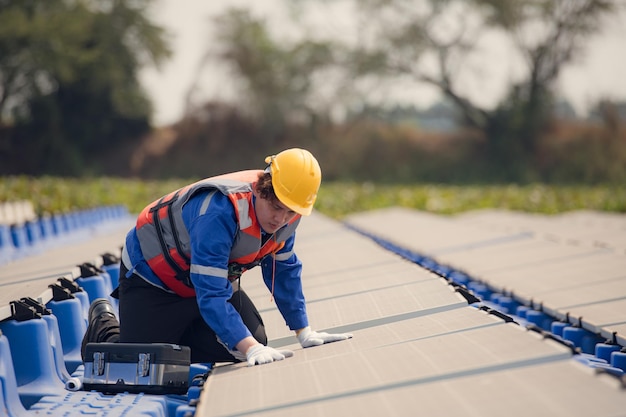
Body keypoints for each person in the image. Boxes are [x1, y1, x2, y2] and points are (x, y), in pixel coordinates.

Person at [82, 148, 352, 366]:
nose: (281, 219)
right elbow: (210, 293)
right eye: (276, 207)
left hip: (203, 285)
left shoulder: (286, 218)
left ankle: (177, 333)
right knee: (145, 361)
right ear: (260, 189)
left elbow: (284, 271)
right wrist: (248, 348)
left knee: (253, 341)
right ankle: (104, 325)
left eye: (291, 212)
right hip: (154, 283)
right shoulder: (218, 213)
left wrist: (303, 331)